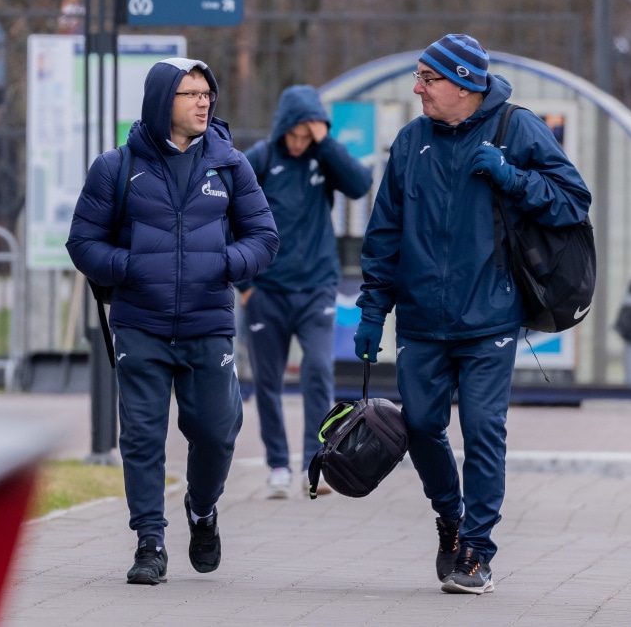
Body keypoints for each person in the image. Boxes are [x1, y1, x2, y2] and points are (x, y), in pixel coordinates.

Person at [353, 34, 591, 594]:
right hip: (419, 320)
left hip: (490, 317)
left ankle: (478, 551)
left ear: (464, 83)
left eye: (427, 79)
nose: (418, 89)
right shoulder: (410, 142)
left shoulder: (518, 128)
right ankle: (451, 519)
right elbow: (385, 231)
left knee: (484, 430)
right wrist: (371, 310)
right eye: (417, 77)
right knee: (419, 427)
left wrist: (514, 178)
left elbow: (573, 200)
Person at [67, 58, 279, 585]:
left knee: (216, 431)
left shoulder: (232, 165)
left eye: (208, 92)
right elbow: (82, 241)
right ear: (163, 102)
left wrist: (228, 263)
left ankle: (202, 510)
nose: (204, 101)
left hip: (209, 325)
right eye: (190, 93)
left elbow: (264, 237)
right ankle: (150, 542)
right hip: (140, 323)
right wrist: (130, 266)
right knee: (141, 436)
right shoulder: (115, 168)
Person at [238, 85, 373, 499]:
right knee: (268, 382)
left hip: (316, 287)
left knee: (318, 371)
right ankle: (278, 465)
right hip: (266, 291)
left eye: (306, 135)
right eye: (293, 134)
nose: (299, 142)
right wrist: (244, 284)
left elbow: (359, 184)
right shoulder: (260, 159)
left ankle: (317, 462)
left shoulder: (322, 156)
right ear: (282, 129)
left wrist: (324, 140)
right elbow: (227, 211)